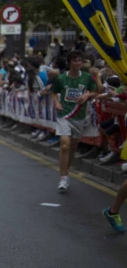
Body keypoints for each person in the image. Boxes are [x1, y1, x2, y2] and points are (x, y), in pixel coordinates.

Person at [50, 50, 102, 192]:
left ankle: (66, 171)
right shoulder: (61, 78)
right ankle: (62, 178)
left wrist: (87, 96)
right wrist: (56, 102)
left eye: (80, 60)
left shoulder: (86, 78)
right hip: (64, 115)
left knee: (73, 147)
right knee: (65, 145)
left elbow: (97, 91)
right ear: (69, 62)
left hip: (79, 116)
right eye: (75, 60)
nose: (78, 63)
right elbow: (54, 92)